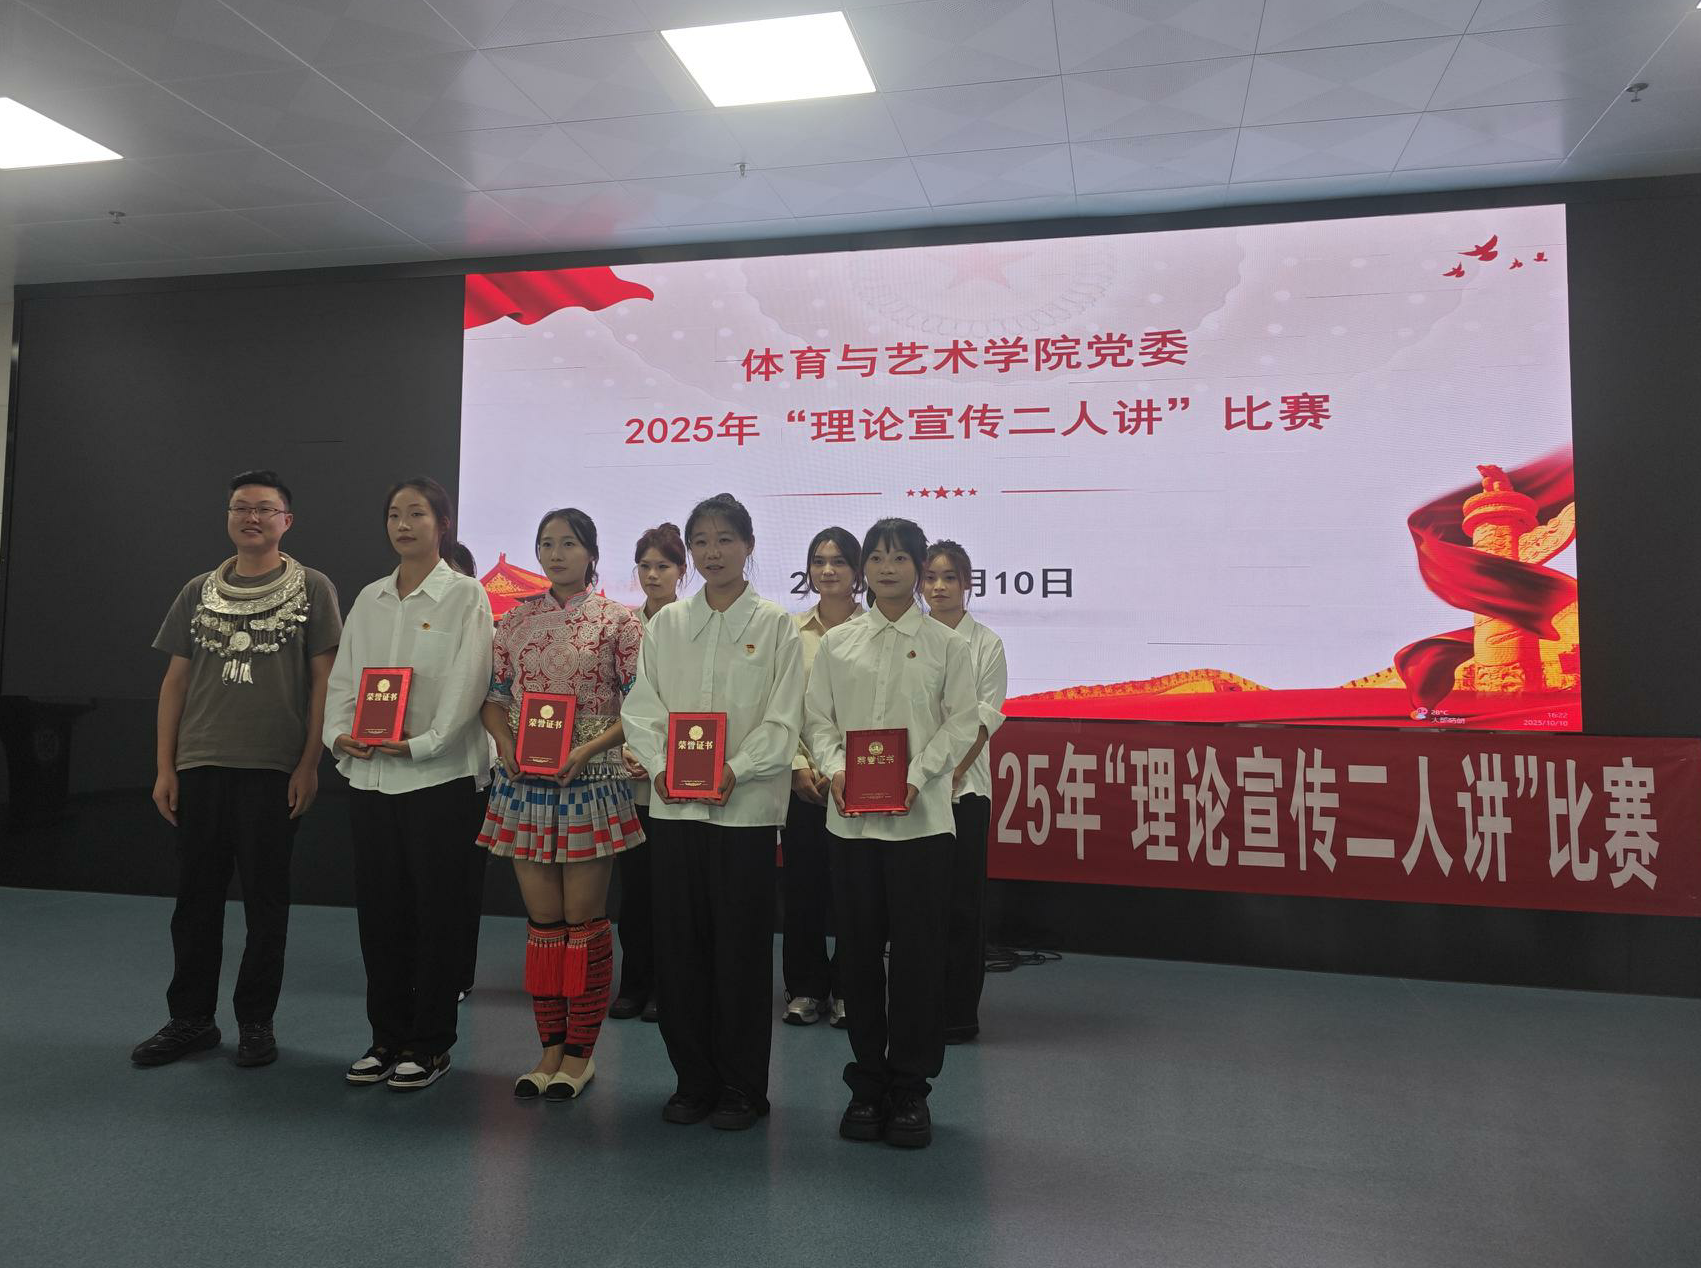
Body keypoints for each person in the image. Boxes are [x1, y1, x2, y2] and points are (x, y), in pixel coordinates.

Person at [132, 470, 341, 1070]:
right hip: (199, 764)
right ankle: (190, 1020)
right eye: (241, 507)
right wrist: (164, 767)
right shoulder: (197, 590)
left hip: (273, 768)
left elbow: (325, 681)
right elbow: (175, 682)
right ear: (228, 516)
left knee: (265, 904)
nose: (252, 517)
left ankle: (255, 1022)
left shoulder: (314, 588)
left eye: (265, 509)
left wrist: (309, 763)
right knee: (194, 901)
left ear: (286, 521)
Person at [622, 493, 804, 1131]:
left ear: (748, 546)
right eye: (701, 541)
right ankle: (692, 1079)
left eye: (725, 539)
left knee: (741, 953)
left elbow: (784, 716)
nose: (712, 552)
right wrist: (662, 767)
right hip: (675, 813)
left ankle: (742, 1087)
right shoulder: (667, 625)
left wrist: (736, 769)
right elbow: (642, 708)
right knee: (680, 950)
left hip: (744, 813)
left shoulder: (776, 625)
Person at [805, 517, 977, 1149]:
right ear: (863, 569)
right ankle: (867, 1083)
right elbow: (816, 718)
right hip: (851, 827)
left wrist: (917, 775)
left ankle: (910, 1088)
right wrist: (835, 769)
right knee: (856, 958)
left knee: (918, 959)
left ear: (919, 568)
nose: (886, 567)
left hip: (922, 824)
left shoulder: (947, 646)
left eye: (900, 558)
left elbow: (962, 723)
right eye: (876, 557)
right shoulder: (838, 643)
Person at [324, 477, 493, 1091]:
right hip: (372, 777)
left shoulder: (466, 595)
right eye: (394, 514)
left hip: (439, 778)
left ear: (442, 524)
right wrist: (337, 733)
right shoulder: (369, 597)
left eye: (416, 513)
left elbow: (469, 685)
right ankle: (385, 1037)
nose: (403, 524)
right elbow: (345, 677)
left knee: (438, 914)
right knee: (380, 914)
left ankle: (430, 1043)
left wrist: (425, 743)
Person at [477, 508, 644, 1100]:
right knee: (544, 924)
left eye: (568, 543)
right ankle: (548, 1047)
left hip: (591, 782)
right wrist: (504, 742)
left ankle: (580, 1054)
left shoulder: (619, 621)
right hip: (525, 785)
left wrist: (589, 748)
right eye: (546, 544)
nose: (555, 554)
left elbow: (640, 705)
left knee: (584, 921)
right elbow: (494, 698)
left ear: (591, 552)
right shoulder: (515, 619)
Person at [923, 540, 1008, 1045]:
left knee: (962, 906)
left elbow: (983, 719)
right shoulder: (913, 636)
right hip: (913, 792)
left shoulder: (986, 644)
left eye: (949, 577)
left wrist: (948, 772)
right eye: (930, 577)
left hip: (965, 790)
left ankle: (958, 1016)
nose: (938, 587)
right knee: (920, 906)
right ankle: (918, 1006)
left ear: (967, 584)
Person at [781, 527, 862, 1029]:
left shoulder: (876, 629)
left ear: (858, 571)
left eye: (839, 561)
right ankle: (806, 988)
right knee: (803, 888)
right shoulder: (790, 631)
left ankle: (852, 987)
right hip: (804, 781)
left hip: (860, 783)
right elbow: (779, 704)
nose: (827, 570)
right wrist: (796, 766)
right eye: (818, 560)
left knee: (856, 892)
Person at [610, 523, 687, 1024]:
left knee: (672, 890)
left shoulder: (689, 623)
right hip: (627, 774)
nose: (653, 575)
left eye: (663, 566)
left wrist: (660, 753)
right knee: (634, 890)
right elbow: (613, 697)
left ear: (682, 571)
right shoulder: (621, 625)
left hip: (678, 774)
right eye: (645, 566)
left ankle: (668, 986)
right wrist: (629, 748)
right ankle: (634, 982)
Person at [445, 540, 487, 1004]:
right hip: (404, 764)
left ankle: (457, 973)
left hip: (468, 770)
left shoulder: (484, 624)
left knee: (459, 881)